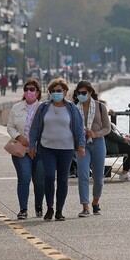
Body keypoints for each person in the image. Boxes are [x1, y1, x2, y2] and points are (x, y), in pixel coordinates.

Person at [28, 78, 85, 221]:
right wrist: (32, 145)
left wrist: (81, 145)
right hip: (47, 148)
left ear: (65, 92)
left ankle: (59, 210)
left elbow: (79, 128)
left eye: (58, 91)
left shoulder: (72, 108)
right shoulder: (44, 107)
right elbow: (35, 127)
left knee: (62, 179)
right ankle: (50, 208)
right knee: (48, 176)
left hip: (66, 148)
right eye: (52, 91)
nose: (55, 93)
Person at [6, 78, 45, 220]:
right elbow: (10, 126)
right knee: (24, 178)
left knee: (39, 181)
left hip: (39, 150)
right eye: (26, 89)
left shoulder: (43, 108)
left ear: (38, 92)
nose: (29, 92)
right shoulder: (16, 108)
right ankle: (23, 209)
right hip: (21, 150)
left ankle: (39, 206)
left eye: (32, 89)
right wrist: (18, 137)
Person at [72, 80, 110, 217]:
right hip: (82, 144)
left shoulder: (100, 107)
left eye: (84, 93)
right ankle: (85, 206)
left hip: (98, 143)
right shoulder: (74, 108)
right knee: (83, 174)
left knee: (99, 177)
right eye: (78, 93)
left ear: (90, 92)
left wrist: (95, 134)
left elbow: (107, 127)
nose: (81, 95)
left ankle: (95, 202)